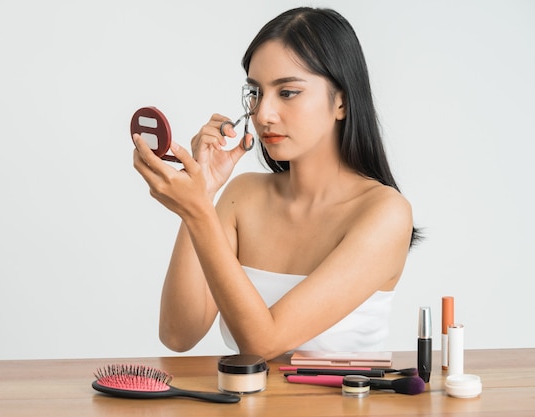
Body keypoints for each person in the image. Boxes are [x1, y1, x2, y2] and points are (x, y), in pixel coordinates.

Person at [132, 7, 420, 361]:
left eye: (287, 93)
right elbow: (179, 334)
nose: (263, 114)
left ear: (341, 100)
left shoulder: (384, 213)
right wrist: (203, 193)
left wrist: (198, 212)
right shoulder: (244, 196)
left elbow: (264, 343)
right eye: (256, 93)